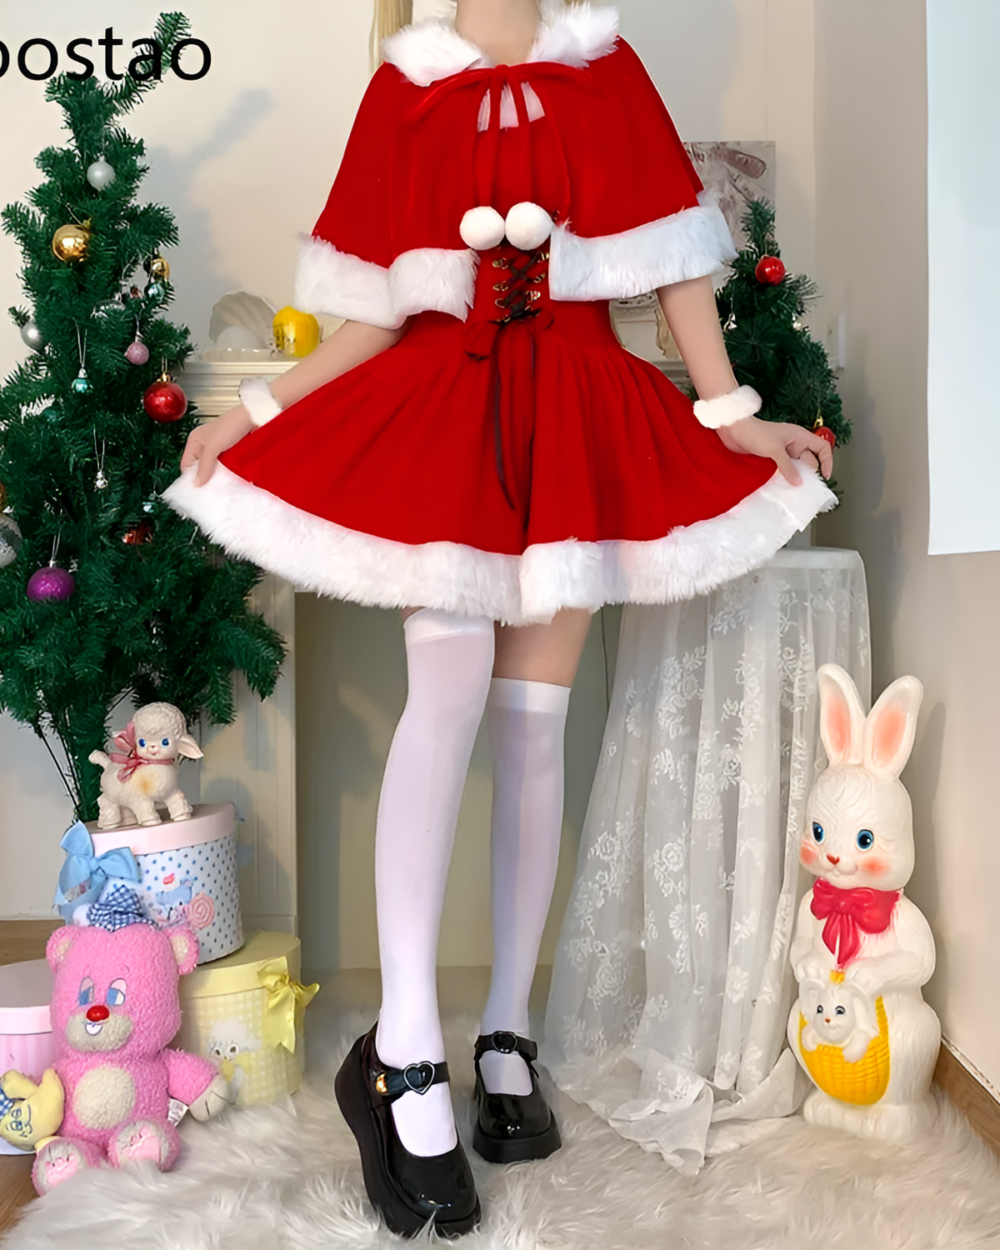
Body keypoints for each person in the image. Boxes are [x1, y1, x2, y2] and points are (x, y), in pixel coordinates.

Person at [165, 0, 835, 1237]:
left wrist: (729, 409)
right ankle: (406, 1045)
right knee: (450, 694)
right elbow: (371, 309)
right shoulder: (403, 87)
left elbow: (672, 258)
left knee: (534, 724)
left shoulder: (607, 70)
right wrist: (255, 416)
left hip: (579, 410)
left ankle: (509, 1030)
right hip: (443, 417)